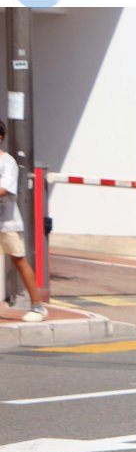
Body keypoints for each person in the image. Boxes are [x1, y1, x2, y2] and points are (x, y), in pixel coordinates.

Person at [0, 121, 46, 321]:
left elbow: (5, 189)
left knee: (18, 260)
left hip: (6, 221)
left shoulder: (7, 162)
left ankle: (37, 306)